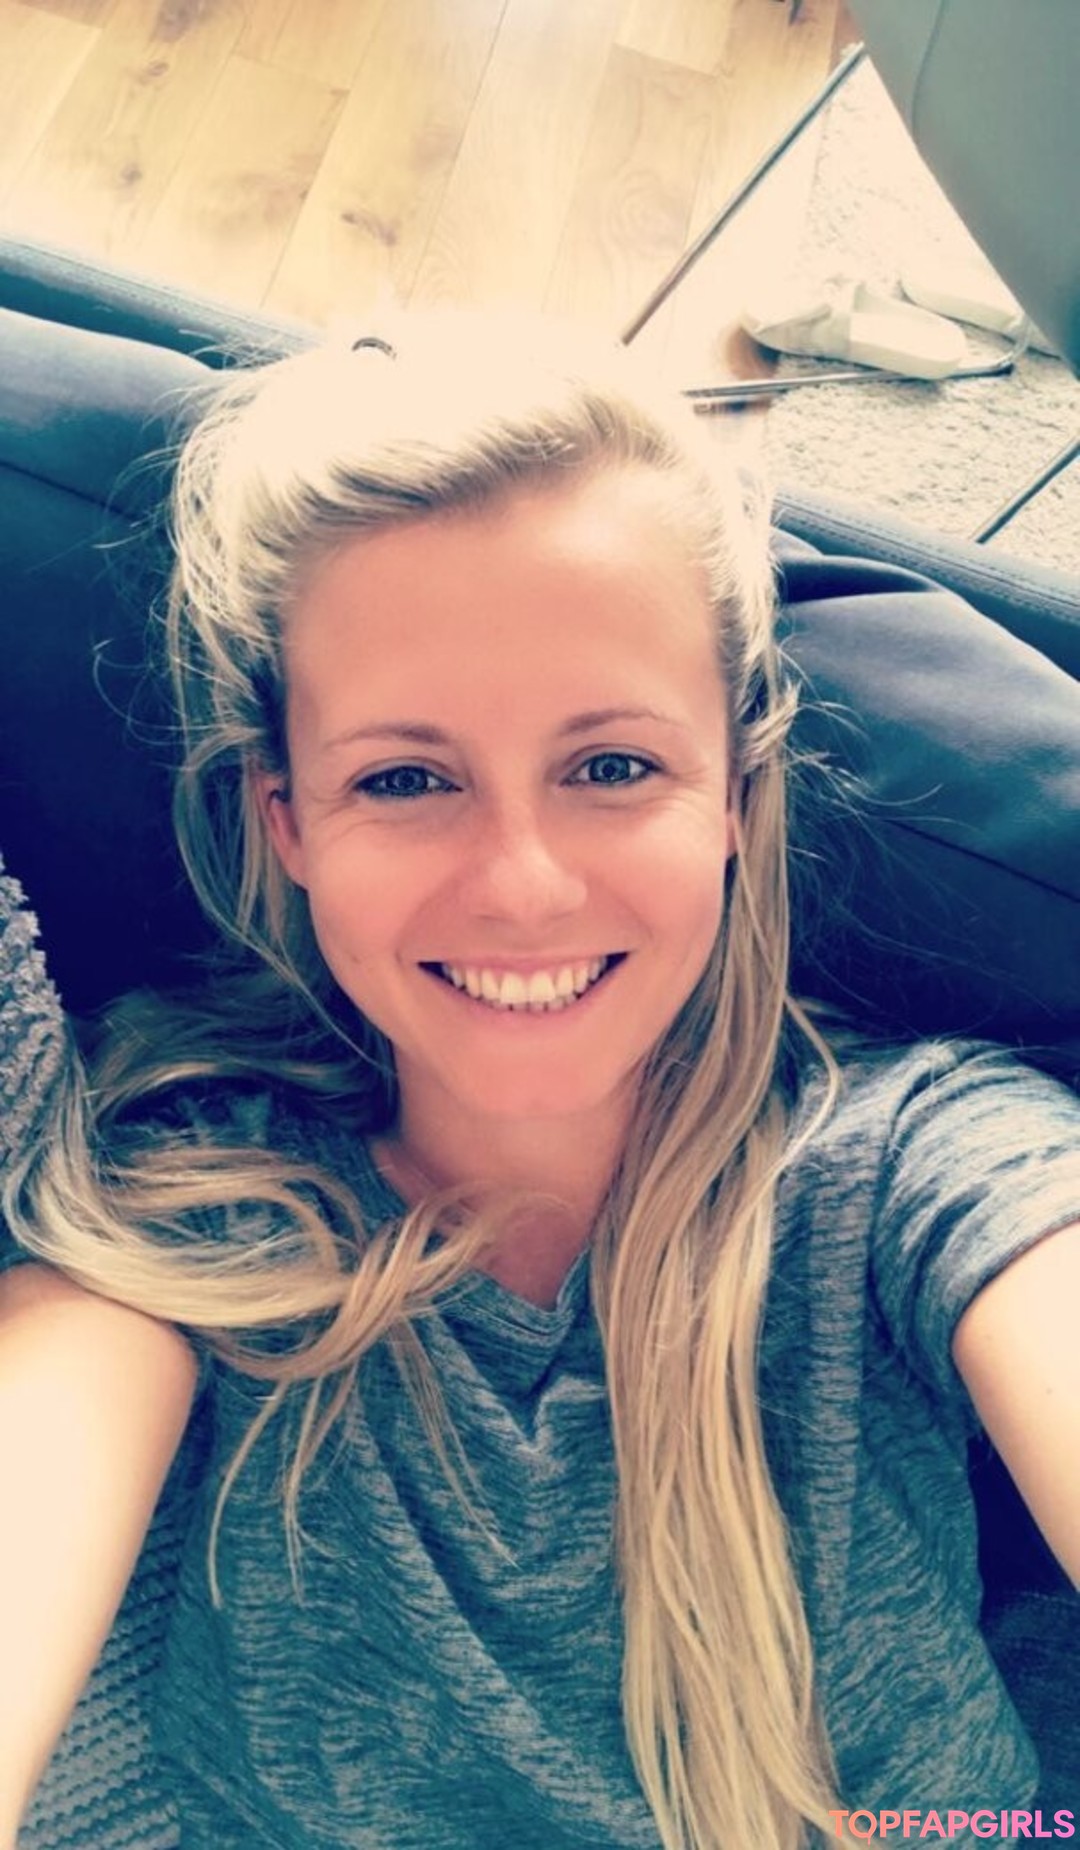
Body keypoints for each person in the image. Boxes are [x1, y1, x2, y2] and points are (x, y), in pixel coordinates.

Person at [0, 313, 1077, 1850]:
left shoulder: (919, 1170)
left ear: (735, 793)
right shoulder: (192, 1191)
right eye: (406, 778)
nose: (521, 887)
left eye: (611, 766)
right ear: (287, 822)